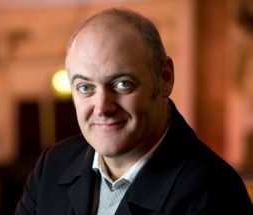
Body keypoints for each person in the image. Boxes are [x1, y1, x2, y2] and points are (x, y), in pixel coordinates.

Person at [15, 7, 253, 214]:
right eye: (85, 87)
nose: (103, 107)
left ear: (164, 79)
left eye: (122, 84)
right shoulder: (52, 166)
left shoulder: (214, 194)